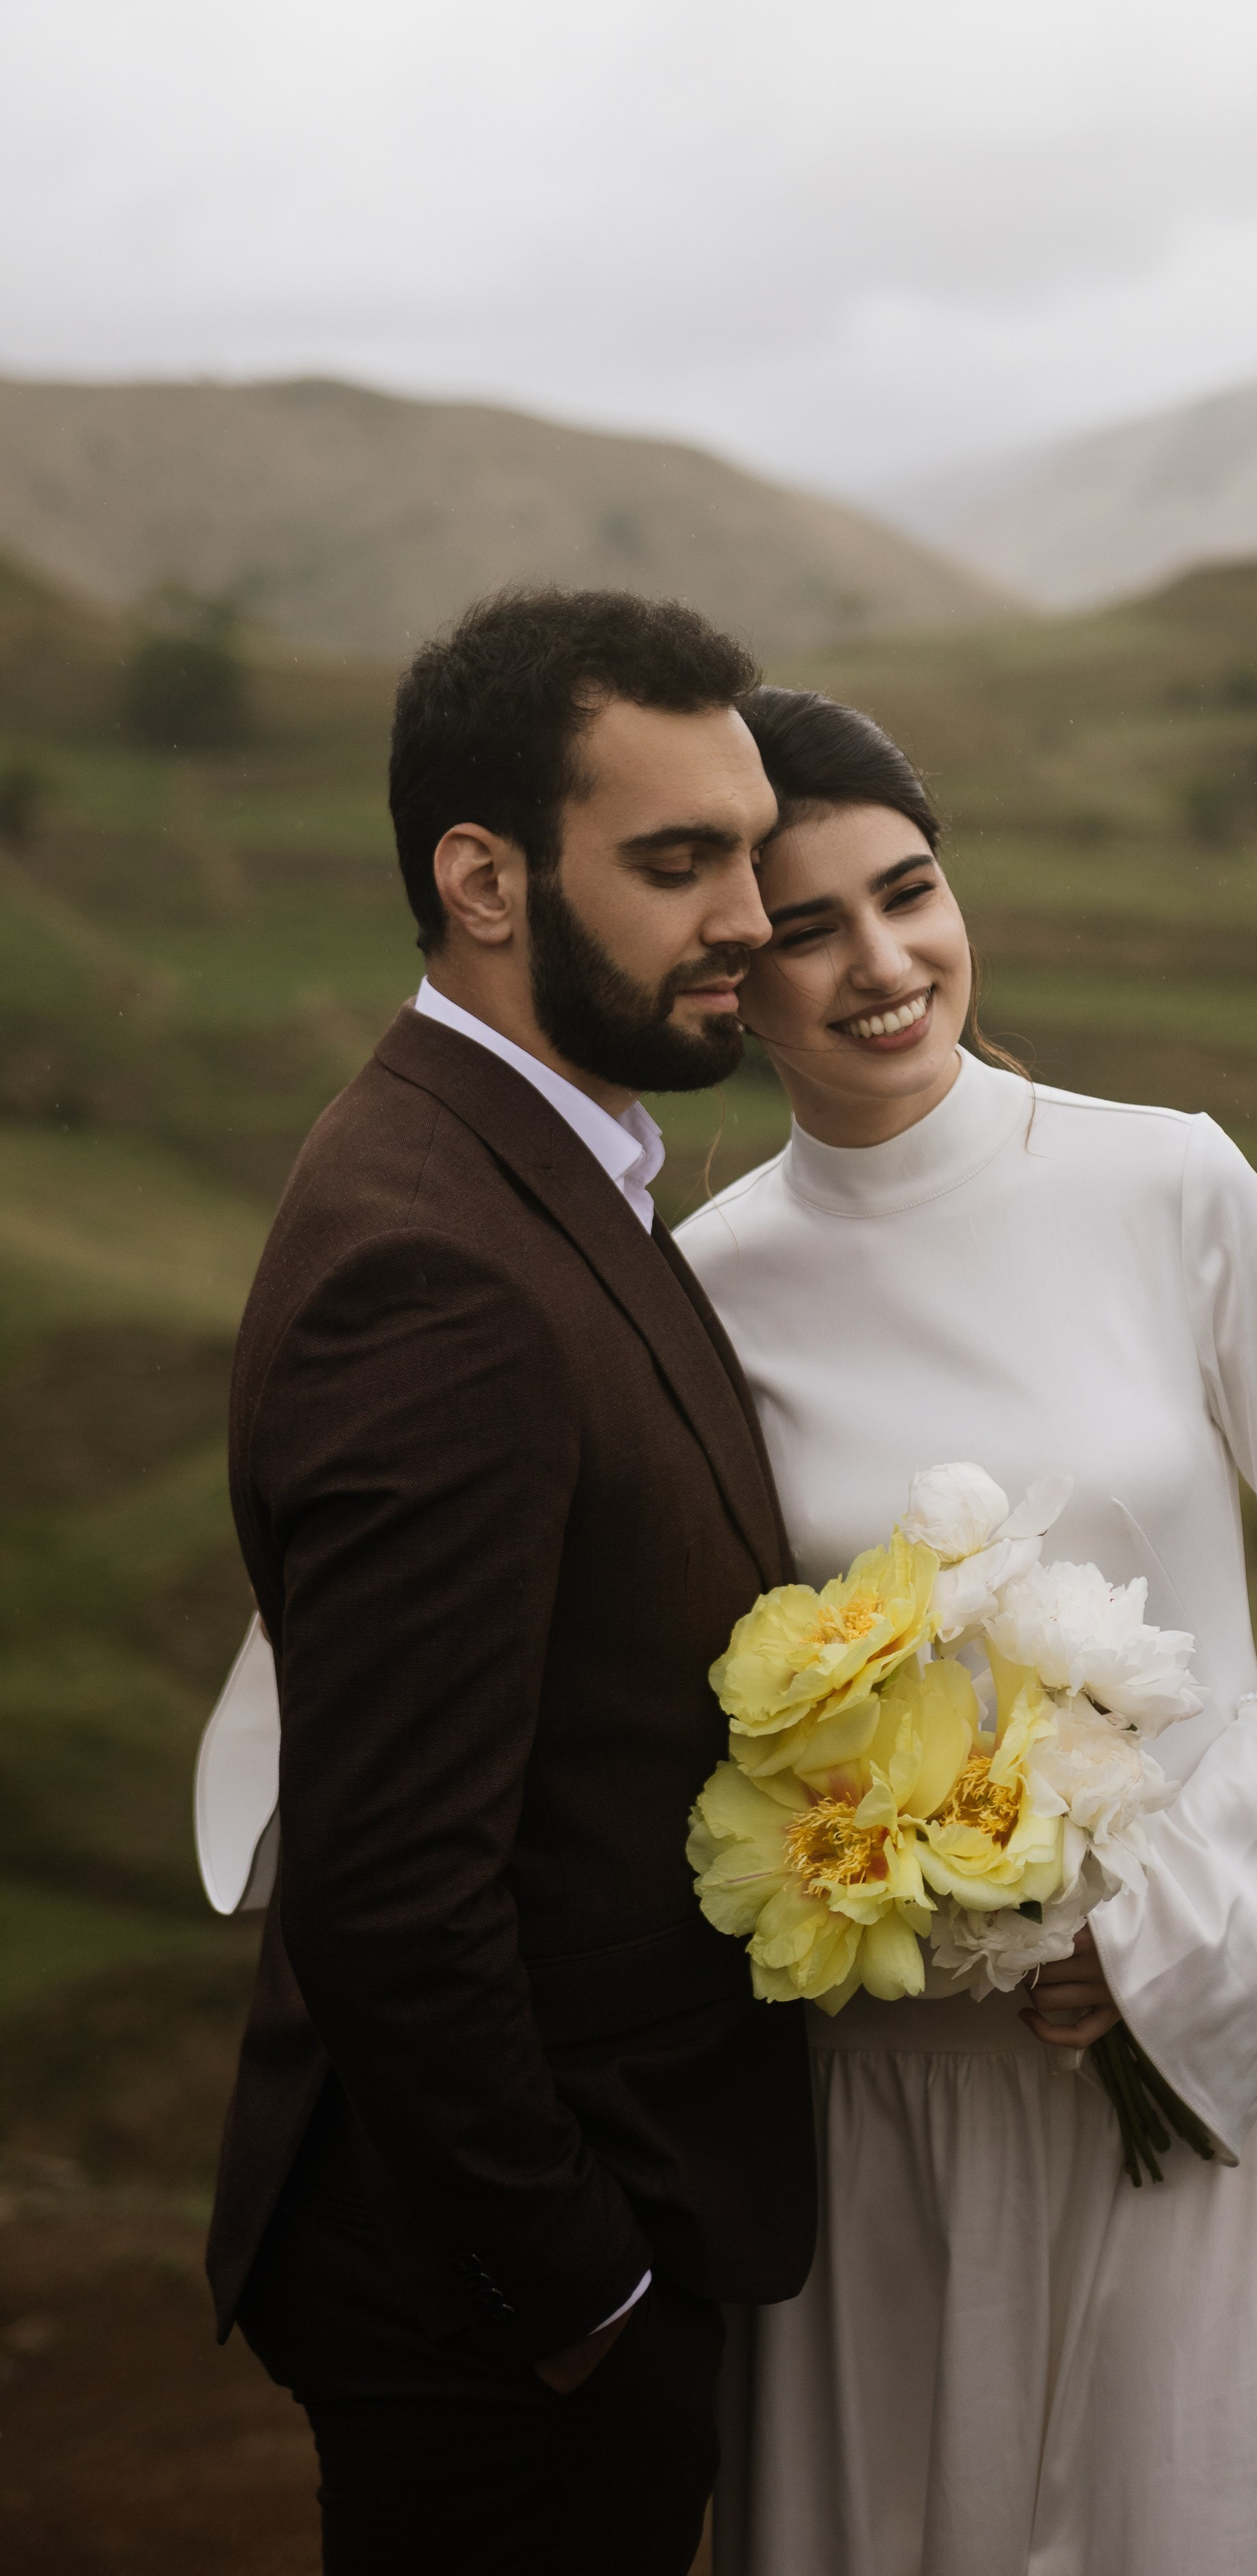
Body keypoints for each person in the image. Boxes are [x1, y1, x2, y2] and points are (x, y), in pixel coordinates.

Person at [676, 686, 1257, 2576]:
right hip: (893, 2087)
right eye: (806, 930)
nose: (882, 966)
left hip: (1196, 2026)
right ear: (731, 977)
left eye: (907, 893)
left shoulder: (1169, 1180)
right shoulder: (704, 1290)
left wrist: (1184, 1918)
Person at [209, 591, 817, 2575]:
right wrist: (584, 2296)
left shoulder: (540, 1165)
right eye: (678, 862)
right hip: (497, 2313)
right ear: (483, 880)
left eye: (751, 852)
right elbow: (391, 1887)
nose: (751, 917)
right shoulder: (435, 1272)